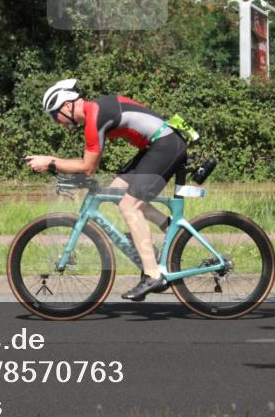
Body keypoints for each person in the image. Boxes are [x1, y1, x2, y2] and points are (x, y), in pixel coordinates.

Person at [25, 79, 187, 300]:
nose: (57, 122)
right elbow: (90, 166)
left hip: (165, 145)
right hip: (156, 146)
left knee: (130, 207)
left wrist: (51, 162)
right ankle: (166, 229)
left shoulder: (95, 116)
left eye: (55, 116)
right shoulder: (96, 111)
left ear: (66, 106)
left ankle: (153, 275)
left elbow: (88, 167)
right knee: (115, 192)